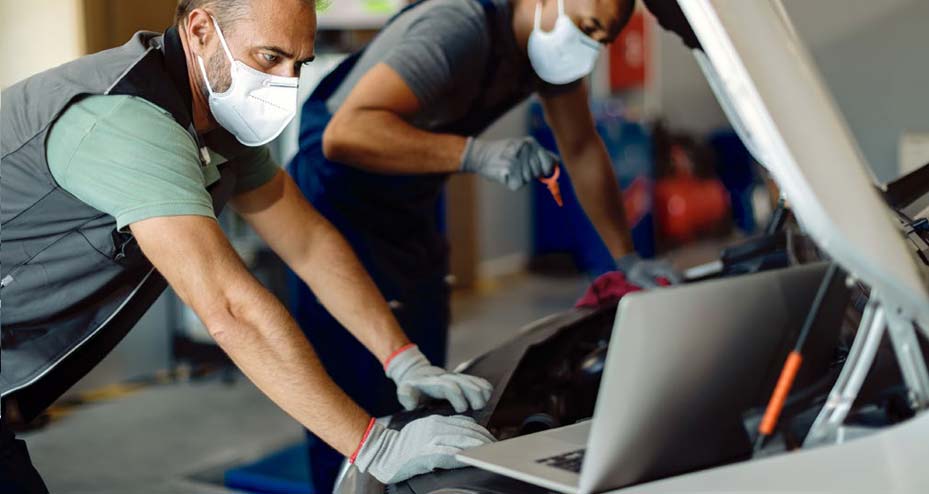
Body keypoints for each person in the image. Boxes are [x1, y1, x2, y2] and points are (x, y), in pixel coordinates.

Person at [0, 1, 496, 492]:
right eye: (269, 57)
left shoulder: (215, 118)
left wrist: (402, 358)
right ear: (200, 30)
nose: (286, 82)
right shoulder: (126, 121)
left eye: (298, 64)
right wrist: (374, 446)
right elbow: (230, 308)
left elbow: (308, 242)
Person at [288, 0, 680, 490]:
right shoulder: (457, 28)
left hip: (409, 204)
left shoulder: (550, 55)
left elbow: (580, 148)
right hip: (339, 201)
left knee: (424, 383)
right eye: (587, 28)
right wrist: (475, 154)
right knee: (352, 395)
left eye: (603, 39)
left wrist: (626, 259)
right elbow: (346, 134)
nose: (592, 48)